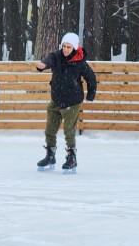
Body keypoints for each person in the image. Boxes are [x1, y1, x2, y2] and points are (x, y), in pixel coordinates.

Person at [35, 32, 98, 173]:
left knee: (69, 130)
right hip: (56, 98)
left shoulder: (79, 61)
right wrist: (43, 65)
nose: (65, 49)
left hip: (72, 100)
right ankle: (50, 155)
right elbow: (49, 60)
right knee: (50, 129)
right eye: (64, 46)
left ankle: (72, 158)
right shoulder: (56, 56)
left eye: (69, 47)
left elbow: (91, 78)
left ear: (74, 47)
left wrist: (91, 94)